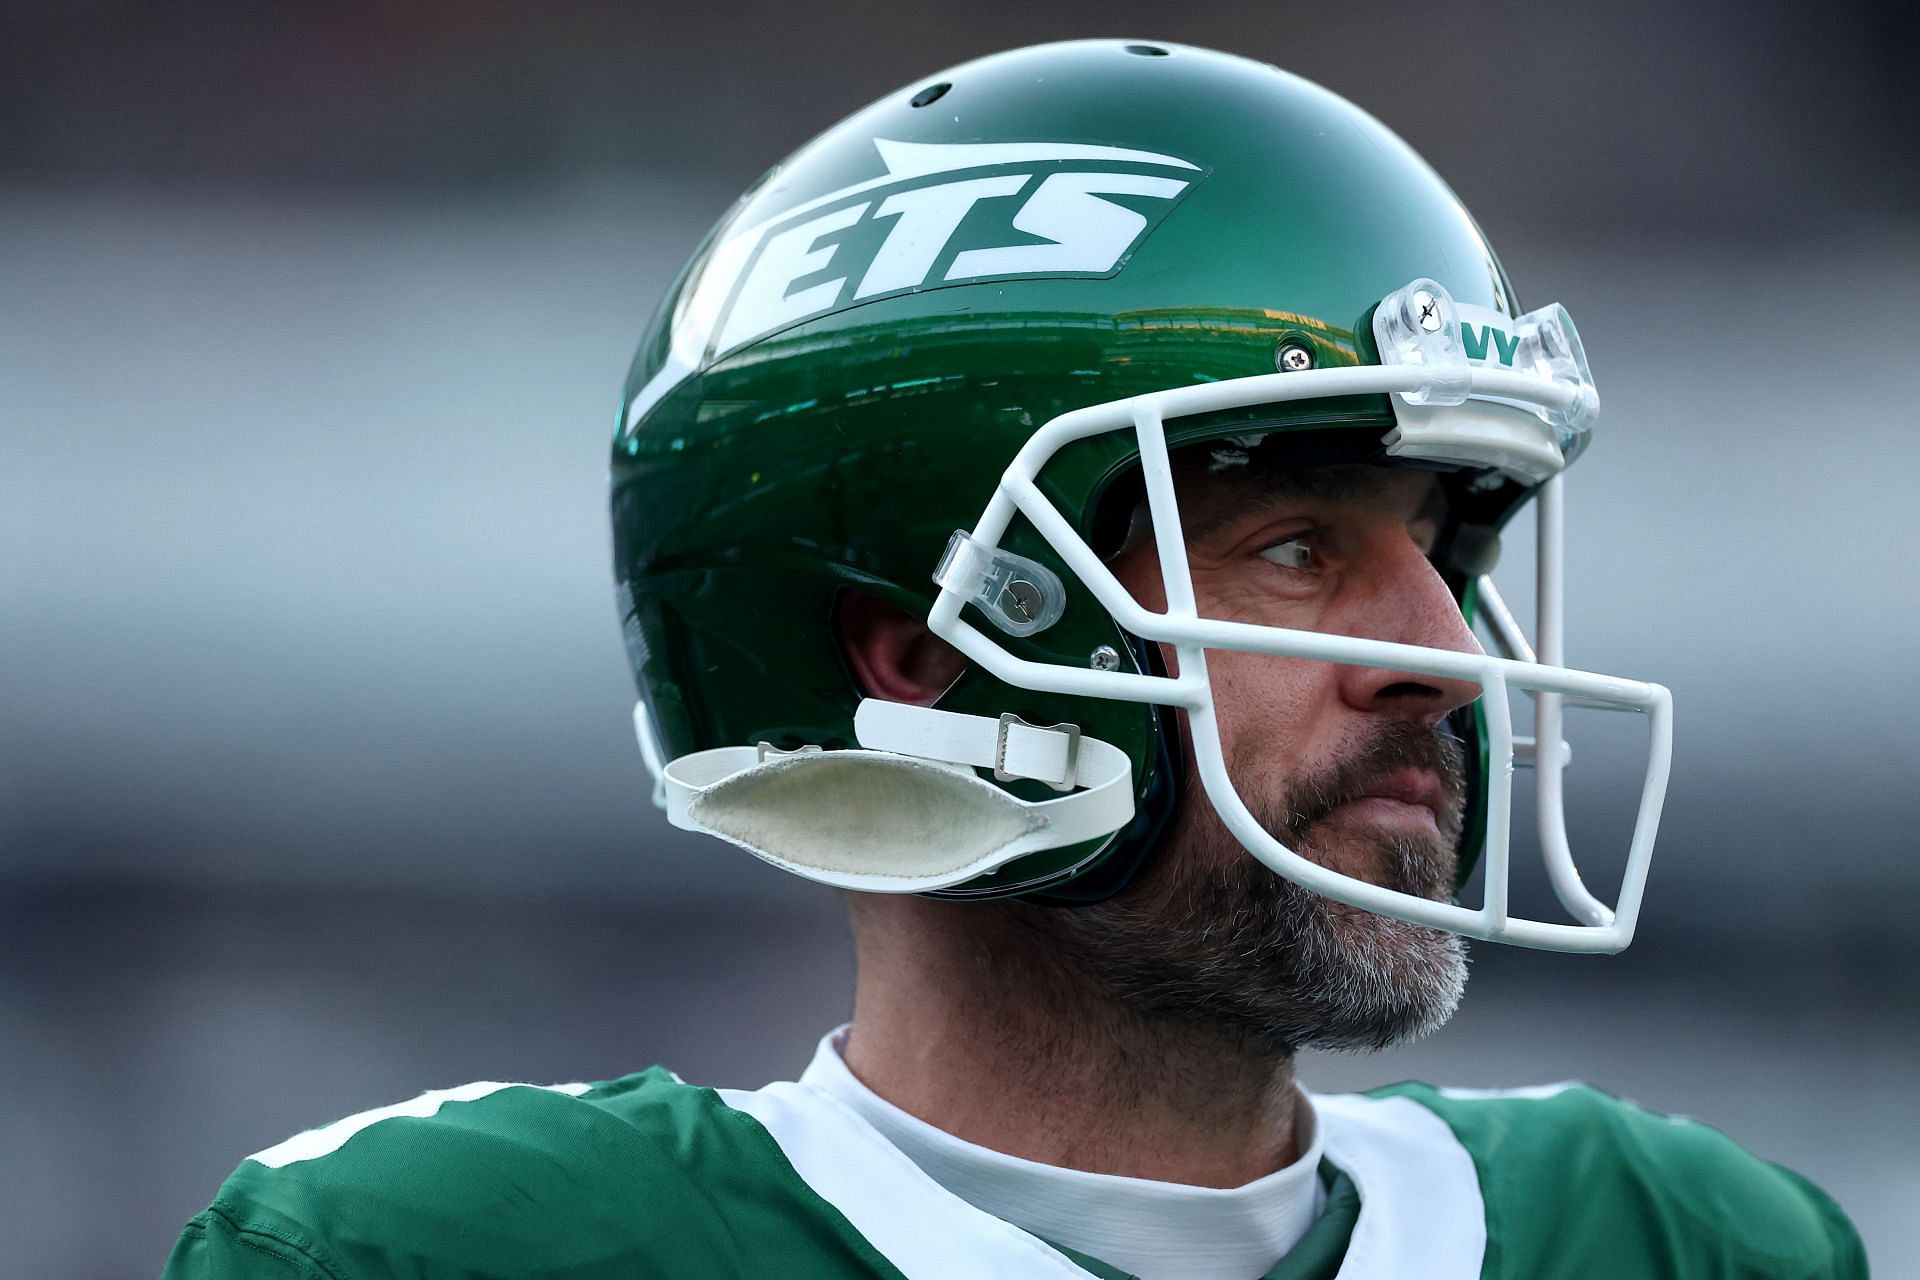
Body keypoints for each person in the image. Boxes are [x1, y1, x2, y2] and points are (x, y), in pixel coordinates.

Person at [162, 40, 1866, 1279]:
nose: (1441, 658)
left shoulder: (1682, 1239)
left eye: (1445, 548)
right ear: (916, 665)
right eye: (1297, 551)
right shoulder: (462, 1251)